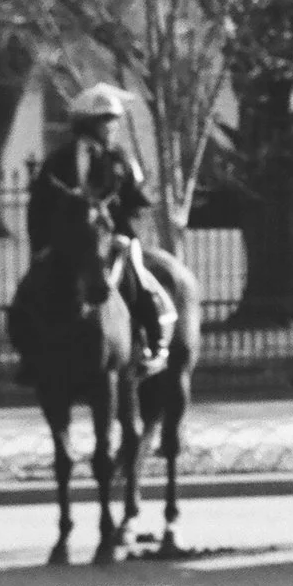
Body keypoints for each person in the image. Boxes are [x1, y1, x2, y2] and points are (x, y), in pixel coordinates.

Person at [26, 84, 173, 374]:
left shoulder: (121, 160)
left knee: (137, 280)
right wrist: (42, 244)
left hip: (114, 241)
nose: (112, 127)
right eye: (106, 120)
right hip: (67, 244)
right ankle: (31, 353)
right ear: (88, 124)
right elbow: (40, 205)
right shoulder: (58, 162)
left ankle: (152, 343)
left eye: (114, 120)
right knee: (32, 289)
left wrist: (126, 230)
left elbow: (137, 203)